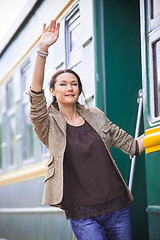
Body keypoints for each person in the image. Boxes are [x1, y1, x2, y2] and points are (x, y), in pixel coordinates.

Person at [28, 19, 145, 240]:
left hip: (118, 208)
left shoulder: (96, 115)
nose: (69, 87)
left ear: (79, 89)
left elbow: (132, 146)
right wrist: (42, 50)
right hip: (83, 215)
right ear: (52, 91)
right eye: (62, 84)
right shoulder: (49, 125)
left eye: (74, 83)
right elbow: (35, 98)